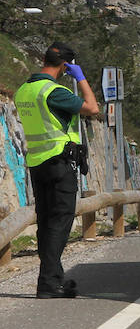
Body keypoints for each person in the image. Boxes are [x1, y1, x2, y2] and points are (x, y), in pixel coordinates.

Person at [15, 42, 100, 299]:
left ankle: (55, 279)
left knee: (46, 222)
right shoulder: (53, 91)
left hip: (37, 163)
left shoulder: (24, 90)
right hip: (58, 163)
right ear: (65, 66)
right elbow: (92, 108)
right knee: (60, 221)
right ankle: (48, 283)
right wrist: (82, 78)